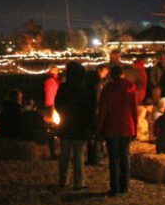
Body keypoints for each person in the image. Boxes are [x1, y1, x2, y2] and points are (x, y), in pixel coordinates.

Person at [97, 65, 138, 195]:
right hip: (127, 126)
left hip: (111, 126)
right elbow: (134, 110)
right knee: (125, 156)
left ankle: (114, 187)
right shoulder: (130, 87)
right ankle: (125, 186)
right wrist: (135, 127)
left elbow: (103, 110)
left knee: (113, 158)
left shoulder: (108, 88)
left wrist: (99, 128)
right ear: (123, 74)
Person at [55, 62, 95, 190]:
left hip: (66, 125)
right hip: (80, 126)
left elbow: (58, 104)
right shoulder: (84, 89)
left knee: (64, 155)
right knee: (78, 155)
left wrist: (64, 114)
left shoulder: (63, 87)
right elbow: (89, 108)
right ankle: (79, 182)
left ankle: (63, 180)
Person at [85, 64, 110, 165]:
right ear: (100, 70)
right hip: (96, 111)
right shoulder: (97, 84)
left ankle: (92, 157)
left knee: (91, 136)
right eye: (104, 72)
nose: (105, 75)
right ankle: (96, 157)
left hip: (90, 110)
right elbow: (97, 98)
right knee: (97, 135)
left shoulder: (88, 82)